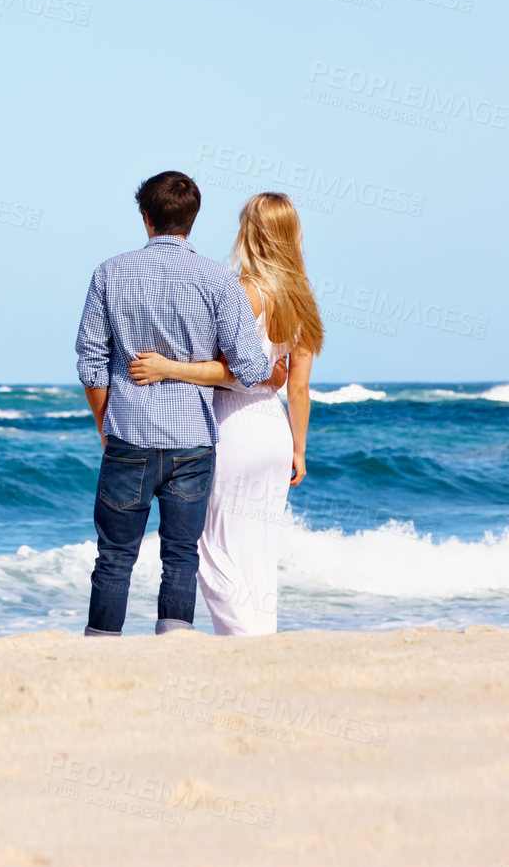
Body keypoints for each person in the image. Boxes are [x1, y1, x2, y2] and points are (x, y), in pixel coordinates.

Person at [73, 172, 272, 636]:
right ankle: (175, 645)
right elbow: (251, 368)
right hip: (193, 441)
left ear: (145, 217)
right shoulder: (218, 280)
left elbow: (91, 362)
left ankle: (101, 648)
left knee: (115, 556)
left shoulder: (109, 272)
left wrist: (105, 422)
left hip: (128, 433)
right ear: (192, 220)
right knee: (180, 554)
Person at [127, 192, 324, 635]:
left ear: (251, 231)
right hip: (275, 434)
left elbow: (226, 369)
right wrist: (299, 450)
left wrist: (166, 367)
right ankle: (261, 638)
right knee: (257, 550)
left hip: (233, 426)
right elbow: (296, 387)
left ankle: (244, 641)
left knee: (209, 546)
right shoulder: (304, 300)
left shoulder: (241, 290)